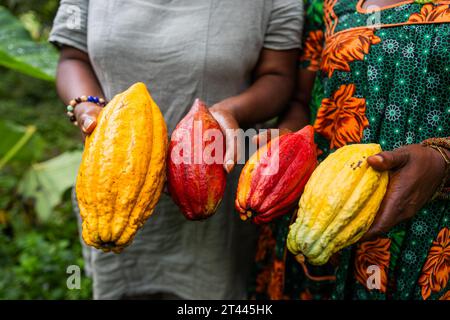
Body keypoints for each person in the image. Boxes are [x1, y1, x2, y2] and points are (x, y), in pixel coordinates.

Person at [49, 0, 304, 299]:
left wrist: (229, 111)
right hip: (113, 180)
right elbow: (72, 57)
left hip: (215, 185)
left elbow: (279, 76)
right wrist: (87, 108)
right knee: (119, 280)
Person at [252, 0, 449, 300]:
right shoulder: (323, 5)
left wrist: (441, 162)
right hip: (321, 216)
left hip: (430, 235)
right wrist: (287, 141)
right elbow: (302, 99)